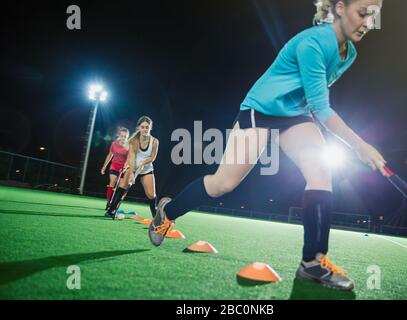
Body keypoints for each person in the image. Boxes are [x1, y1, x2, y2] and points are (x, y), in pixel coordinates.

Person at [150, 0, 386, 291]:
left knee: (321, 171)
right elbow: (323, 109)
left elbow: (314, 99)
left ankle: (312, 263)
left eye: (373, 16)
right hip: (260, 110)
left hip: (295, 115)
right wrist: (360, 145)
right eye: (363, 13)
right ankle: (167, 212)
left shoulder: (349, 53)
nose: (368, 23)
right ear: (339, 8)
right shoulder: (312, 43)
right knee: (223, 183)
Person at [106, 116, 159, 219]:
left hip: (147, 169)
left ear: (150, 128)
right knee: (123, 185)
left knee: (151, 195)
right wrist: (131, 174)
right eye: (142, 127)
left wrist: (143, 163)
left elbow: (152, 157)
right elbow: (131, 158)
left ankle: (156, 218)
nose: (144, 129)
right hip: (132, 167)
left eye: (147, 127)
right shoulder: (134, 140)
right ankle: (111, 210)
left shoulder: (155, 141)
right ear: (139, 127)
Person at [101, 127, 129, 210]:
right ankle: (108, 202)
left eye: (125, 136)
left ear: (127, 137)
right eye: (122, 136)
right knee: (112, 183)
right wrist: (104, 166)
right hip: (114, 166)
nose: (123, 138)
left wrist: (125, 168)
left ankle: (115, 203)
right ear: (119, 135)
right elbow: (110, 155)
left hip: (124, 168)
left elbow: (129, 159)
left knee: (120, 187)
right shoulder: (114, 144)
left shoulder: (129, 146)